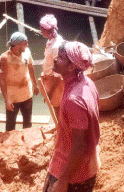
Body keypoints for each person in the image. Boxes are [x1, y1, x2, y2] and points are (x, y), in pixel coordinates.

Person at [42, 41, 100, 192]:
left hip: (70, 174)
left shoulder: (73, 101)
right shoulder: (87, 83)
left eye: (61, 57)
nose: (55, 59)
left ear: (71, 67)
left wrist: (63, 180)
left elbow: (79, 145)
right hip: (88, 168)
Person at [0, 31, 39, 131]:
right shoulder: (4, 58)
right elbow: (2, 80)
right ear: (17, 44)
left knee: (28, 124)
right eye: (25, 42)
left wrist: (35, 85)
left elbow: (31, 68)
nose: (27, 44)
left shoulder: (27, 52)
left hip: (27, 95)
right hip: (12, 98)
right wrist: (7, 99)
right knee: (10, 125)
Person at [40, 14, 66, 108]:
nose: (41, 31)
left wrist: (50, 92)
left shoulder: (56, 46)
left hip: (55, 82)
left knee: (57, 106)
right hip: (49, 79)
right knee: (55, 105)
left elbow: (58, 73)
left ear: (48, 30)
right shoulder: (51, 40)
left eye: (42, 29)